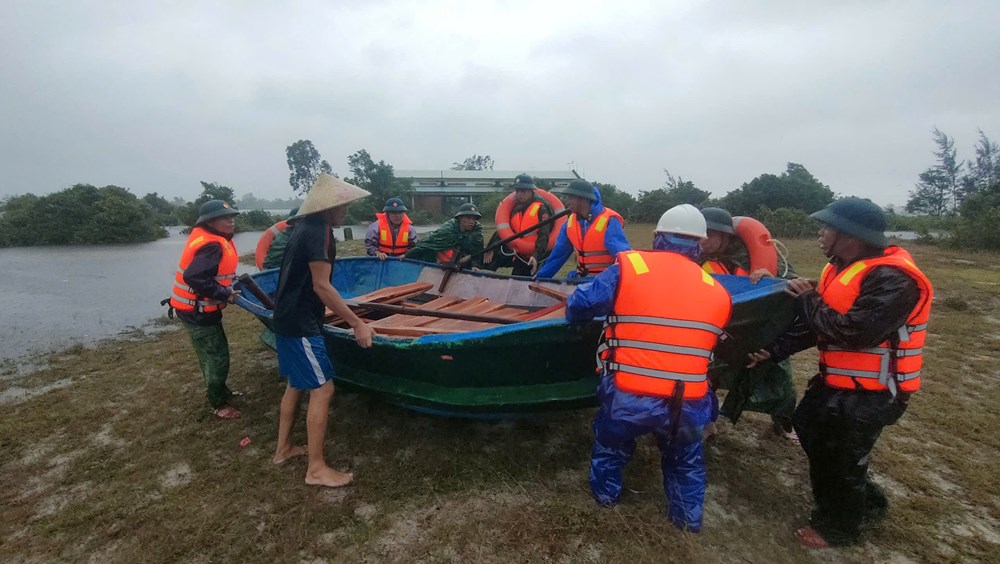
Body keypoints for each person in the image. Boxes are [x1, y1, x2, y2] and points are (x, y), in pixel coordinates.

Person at [746, 197, 933, 548]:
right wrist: (772, 351)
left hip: (874, 392)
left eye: (827, 227)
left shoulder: (893, 278)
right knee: (809, 424)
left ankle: (839, 528)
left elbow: (854, 332)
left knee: (844, 454)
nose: (820, 233)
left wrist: (808, 299)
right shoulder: (840, 268)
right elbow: (816, 326)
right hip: (838, 383)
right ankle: (865, 499)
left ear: (851, 235)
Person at [566, 204, 732, 532]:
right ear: (699, 244)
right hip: (687, 402)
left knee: (611, 447)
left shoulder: (629, 267)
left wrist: (578, 315)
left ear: (657, 237)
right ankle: (686, 521)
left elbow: (581, 305)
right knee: (686, 461)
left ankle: (605, 498)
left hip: (629, 395)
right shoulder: (718, 291)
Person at [270, 173, 377, 487]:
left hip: (286, 317)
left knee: (295, 384)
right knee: (323, 389)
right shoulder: (319, 232)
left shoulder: (304, 228)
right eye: (340, 204)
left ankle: (283, 449)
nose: (345, 209)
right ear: (323, 207)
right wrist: (358, 323)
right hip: (301, 323)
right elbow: (322, 286)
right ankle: (316, 469)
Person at [698, 207, 799, 443]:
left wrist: (771, 278)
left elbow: (793, 285)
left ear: (726, 236)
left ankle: (783, 422)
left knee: (780, 381)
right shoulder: (696, 256)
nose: (705, 240)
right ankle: (707, 422)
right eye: (701, 233)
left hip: (757, 328)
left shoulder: (752, 255)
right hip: (721, 326)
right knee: (706, 373)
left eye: (711, 234)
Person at [168, 200, 243, 420]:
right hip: (197, 312)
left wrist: (228, 281)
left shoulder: (211, 238)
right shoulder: (211, 245)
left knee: (209, 355)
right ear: (210, 222)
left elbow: (211, 273)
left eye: (231, 216)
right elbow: (194, 276)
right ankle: (218, 404)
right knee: (217, 357)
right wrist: (224, 293)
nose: (231, 221)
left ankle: (220, 391)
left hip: (193, 309)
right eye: (225, 218)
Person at [535, 179, 629, 279]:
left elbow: (623, 255)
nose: (567, 201)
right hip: (580, 279)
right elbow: (558, 255)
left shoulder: (609, 220)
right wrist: (540, 277)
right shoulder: (569, 224)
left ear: (583, 199)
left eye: (571, 198)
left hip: (604, 282)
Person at [486, 173, 554, 276]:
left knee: (533, 285)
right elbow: (503, 230)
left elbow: (544, 235)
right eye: (517, 191)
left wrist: (536, 256)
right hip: (520, 255)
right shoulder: (516, 210)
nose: (519, 194)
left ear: (531, 191)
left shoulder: (541, 209)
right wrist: (491, 248)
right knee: (515, 283)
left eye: (523, 191)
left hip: (538, 255)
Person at [404, 203, 485, 268]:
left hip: (463, 264)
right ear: (460, 218)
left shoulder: (477, 232)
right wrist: (406, 256)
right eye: (468, 218)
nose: (471, 221)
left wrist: (475, 266)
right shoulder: (447, 230)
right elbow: (426, 245)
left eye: (474, 219)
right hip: (441, 263)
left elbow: (477, 250)